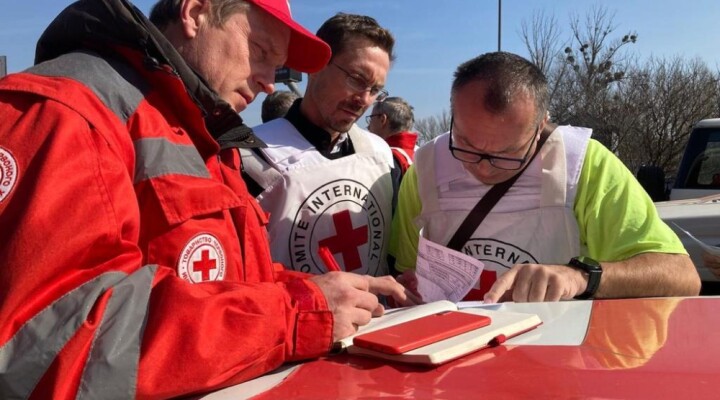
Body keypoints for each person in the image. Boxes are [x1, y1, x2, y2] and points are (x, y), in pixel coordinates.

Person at [0, 0, 409, 398]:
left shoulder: (205, 140)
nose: (269, 81)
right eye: (260, 51)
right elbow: (51, 341)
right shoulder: (66, 112)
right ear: (196, 13)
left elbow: (228, 283)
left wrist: (326, 292)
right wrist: (299, 312)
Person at [390, 52, 701, 303]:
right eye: (466, 145)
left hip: (556, 358)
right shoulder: (426, 166)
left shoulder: (584, 163)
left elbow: (681, 275)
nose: (483, 168)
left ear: (542, 126)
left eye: (507, 153)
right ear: (453, 114)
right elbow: (404, 271)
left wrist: (580, 276)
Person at [239, 13, 401, 277]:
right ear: (315, 67)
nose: (365, 99)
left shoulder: (382, 155)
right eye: (357, 79)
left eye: (375, 90)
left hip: (380, 316)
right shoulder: (248, 155)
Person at [366, 96, 418, 174]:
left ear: (382, 119)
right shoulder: (422, 154)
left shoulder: (385, 159)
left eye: (371, 119)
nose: (368, 127)